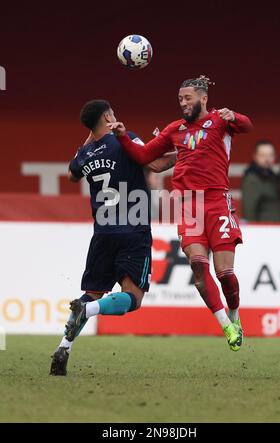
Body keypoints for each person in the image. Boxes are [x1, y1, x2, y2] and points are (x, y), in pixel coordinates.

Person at [108, 75, 253, 351]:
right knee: (198, 264)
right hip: (188, 204)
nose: (183, 103)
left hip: (218, 201)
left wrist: (234, 114)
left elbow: (247, 126)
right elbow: (144, 156)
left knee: (225, 274)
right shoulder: (175, 130)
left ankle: (234, 316)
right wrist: (123, 136)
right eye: (180, 99)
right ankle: (225, 326)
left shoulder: (221, 121)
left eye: (187, 98)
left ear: (203, 98)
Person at [50, 99, 175, 376]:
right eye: (112, 114)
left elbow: (71, 175)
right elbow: (154, 164)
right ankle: (91, 310)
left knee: (90, 292)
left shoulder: (85, 154)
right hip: (133, 230)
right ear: (108, 117)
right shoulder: (126, 139)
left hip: (102, 233)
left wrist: (91, 138)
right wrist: (185, 152)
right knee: (133, 297)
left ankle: (64, 347)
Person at [242, 140, 280, 221]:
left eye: (270, 155)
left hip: (276, 229)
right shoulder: (252, 178)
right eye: (263, 155)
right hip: (263, 230)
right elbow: (249, 211)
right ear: (255, 156)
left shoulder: (273, 176)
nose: (267, 159)